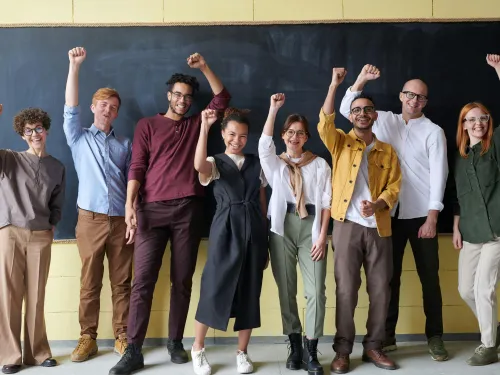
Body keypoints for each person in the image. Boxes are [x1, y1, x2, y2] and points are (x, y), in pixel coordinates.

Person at [109, 53, 231, 375]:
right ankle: (133, 350)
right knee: (143, 282)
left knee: (182, 281)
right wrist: (129, 204)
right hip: (150, 210)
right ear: (169, 95)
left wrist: (204, 67)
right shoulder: (147, 125)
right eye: (177, 95)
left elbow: (222, 98)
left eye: (188, 97)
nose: (182, 100)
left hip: (188, 210)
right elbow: (136, 165)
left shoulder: (197, 124)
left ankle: (175, 342)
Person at [339, 64, 449, 360]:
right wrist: (360, 80)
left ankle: (435, 336)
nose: (414, 101)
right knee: (389, 279)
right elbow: (345, 109)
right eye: (410, 95)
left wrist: (432, 217)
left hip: (420, 215)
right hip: (386, 216)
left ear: (426, 102)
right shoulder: (382, 119)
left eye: (421, 98)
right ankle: (386, 337)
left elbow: (440, 175)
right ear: (401, 96)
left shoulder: (434, 132)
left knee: (430, 278)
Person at [319, 68, 401, 373]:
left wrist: (379, 203)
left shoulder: (387, 151)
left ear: (375, 115)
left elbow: (394, 186)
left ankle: (374, 347)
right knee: (346, 289)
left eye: (368, 109)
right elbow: (325, 121)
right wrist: (334, 86)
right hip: (346, 226)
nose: (363, 114)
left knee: (381, 289)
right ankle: (342, 351)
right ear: (350, 116)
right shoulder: (340, 142)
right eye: (357, 110)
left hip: (379, 227)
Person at [63, 47, 134, 363]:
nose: (108, 110)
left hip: (120, 220)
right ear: (93, 107)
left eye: (113, 107)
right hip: (89, 219)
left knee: (122, 283)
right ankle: (87, 339)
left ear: (117, 113)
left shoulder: (126, 144)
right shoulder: (78, 138)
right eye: (103, 105)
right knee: (90, 283)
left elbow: (135, 185)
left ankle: (123, 337)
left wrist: (133, 219)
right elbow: (69, 108)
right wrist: (74, 68)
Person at [190, 108, 268, 375]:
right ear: (223, 133)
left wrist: (264, 234)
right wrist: (204, 126)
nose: (237, 140)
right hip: (225, 228)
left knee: (250, 290)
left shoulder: (256, 162)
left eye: (243, 136)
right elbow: (198, 165)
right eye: (232, 134)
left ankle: (242, 352)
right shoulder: (216, 161)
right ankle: (198, 348)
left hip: (254, 229)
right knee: (213, 286)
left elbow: (261, 200)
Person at [258, 93, 332, 375]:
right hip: (282, 228)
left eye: (300, 133)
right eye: (290, 133)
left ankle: (311, 349)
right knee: (287, 290)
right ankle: (295, 345)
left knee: (316, 292)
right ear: (284, 135)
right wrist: (273, 109)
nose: (294, 138)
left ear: (307, 137)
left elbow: (326, 203)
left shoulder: (319, 164)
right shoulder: (276, 164)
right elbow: (264, 146)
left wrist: (323, 235)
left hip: (311, 227)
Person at [0, 106, 65, 374]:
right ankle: (10, 355)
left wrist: (52, 226)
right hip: (10, 233)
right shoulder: (8, 158)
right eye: (29, 131)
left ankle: (38, 353)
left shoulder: (57, 166)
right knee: (9, 297)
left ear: (46, 129)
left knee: (37, 297)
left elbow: (57, 204)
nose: (35, 134)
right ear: (22, 134)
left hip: (40, 236)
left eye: (39, 128)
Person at [452, 54, 500, 367]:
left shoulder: (494, 147)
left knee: (484, 290)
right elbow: (458, 196)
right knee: (464, 289)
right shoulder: (458, 157)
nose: (478, 123)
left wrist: (498, 70)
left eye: (482, 118)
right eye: (471, 119)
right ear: (464, 124)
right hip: (470, 232)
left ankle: (488, 345)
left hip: (496, 231)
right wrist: (456, 226)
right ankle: (493, 331)